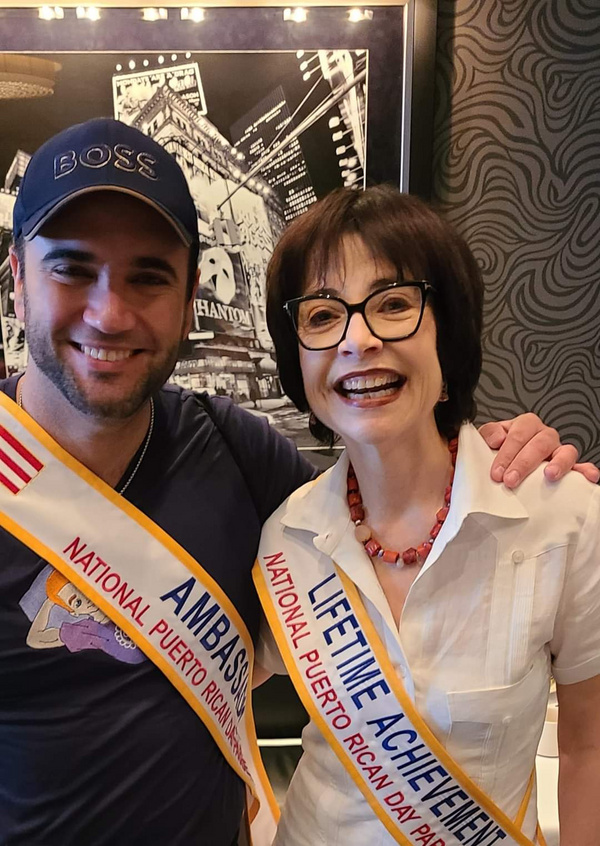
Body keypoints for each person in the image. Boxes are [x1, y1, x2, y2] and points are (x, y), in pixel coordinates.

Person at [1, 118, 591, 846]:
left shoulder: (234, 452)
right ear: (17, 281)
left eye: (150, 275)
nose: (110, 312)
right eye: (71, 268)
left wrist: (510, 458)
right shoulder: (283, 514)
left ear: (191, 301)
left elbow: (387, 482)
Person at [255, 185, 600, 846]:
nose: (357, 340)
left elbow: (591, 749)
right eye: (322, 316)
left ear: (450, 330)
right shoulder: (286, 536)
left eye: (393, 304)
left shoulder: (563, 517)